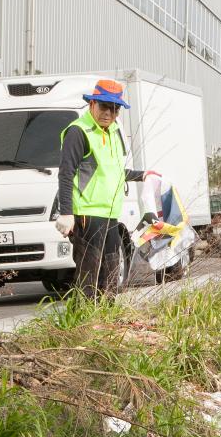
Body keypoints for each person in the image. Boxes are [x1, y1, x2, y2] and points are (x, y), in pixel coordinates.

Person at [55, 79, 158, 299]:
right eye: (104, 106)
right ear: (92, 104)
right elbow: (66, 174)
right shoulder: (78, 132)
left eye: (115, 109)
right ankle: (84, 327)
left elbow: (113, 172)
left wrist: (141, 175)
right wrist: (66, 213)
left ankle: (107, 323)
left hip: (110, 214)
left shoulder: (112, 132)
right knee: (88, 276)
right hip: (87, 214)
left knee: (111, 274)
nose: (109, 113)